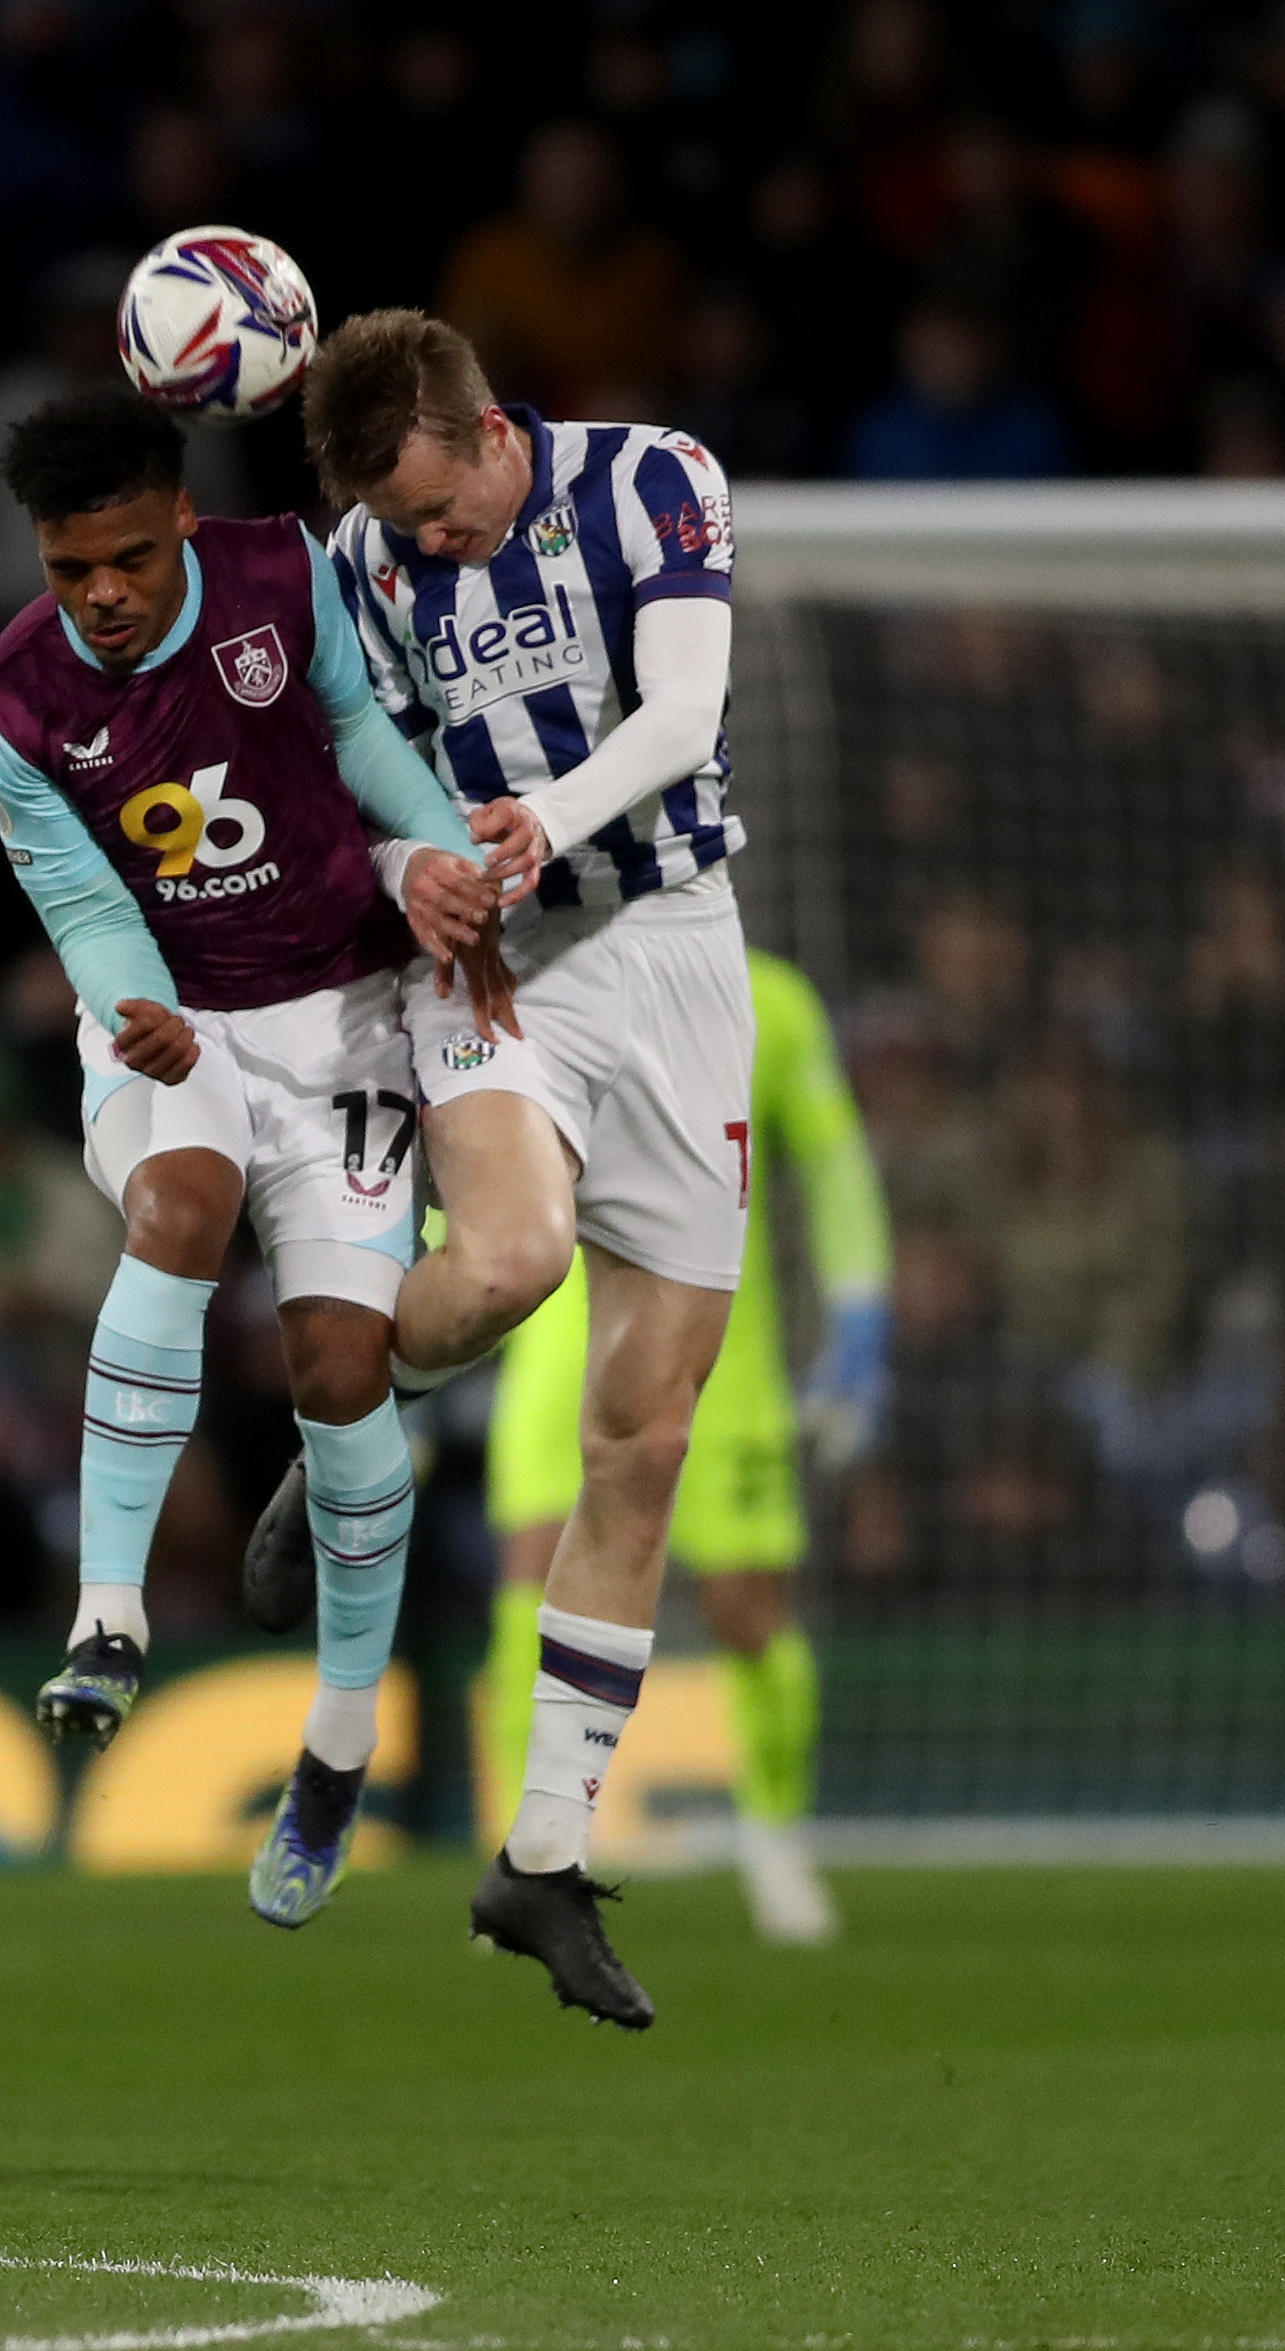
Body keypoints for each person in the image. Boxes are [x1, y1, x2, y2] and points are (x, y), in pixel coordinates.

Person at [0, 389, 505, 1929]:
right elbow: (79, 898)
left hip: (346, 1015)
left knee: (339, 1369)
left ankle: (334, 1750)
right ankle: (108, 1618)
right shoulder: (4, 704)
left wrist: (446, 846)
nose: (105, 595)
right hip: (169, 1019)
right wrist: (141, 1009)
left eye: (128, 557)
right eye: (72, 572)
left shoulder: (279, 578)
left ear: (179, 518)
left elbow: (359, 738)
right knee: (181, 1204)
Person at [298, 308, 756, 2028]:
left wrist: (535, 818)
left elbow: (687, 712)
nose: (429, 545)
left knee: (643, 1437)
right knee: (506, 1263)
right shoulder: (357, 560)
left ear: (488, 430)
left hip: (677, 945)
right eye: (404, 526)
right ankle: (343, 1394)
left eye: (442, 510)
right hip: (498, 962)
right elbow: (343, 767)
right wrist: (415, 859)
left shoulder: (652, 483)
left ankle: (541, 1861)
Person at [478, 948, 888, 1946]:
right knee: (530, 1587)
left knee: (750, 1612)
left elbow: (833, 1165)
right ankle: (529, 1852)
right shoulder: (523, 976)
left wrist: (860, 1318)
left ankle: (776, 1835)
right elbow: (472, 1148)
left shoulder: (776, 999)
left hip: (721, 1357)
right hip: (559, 1341)